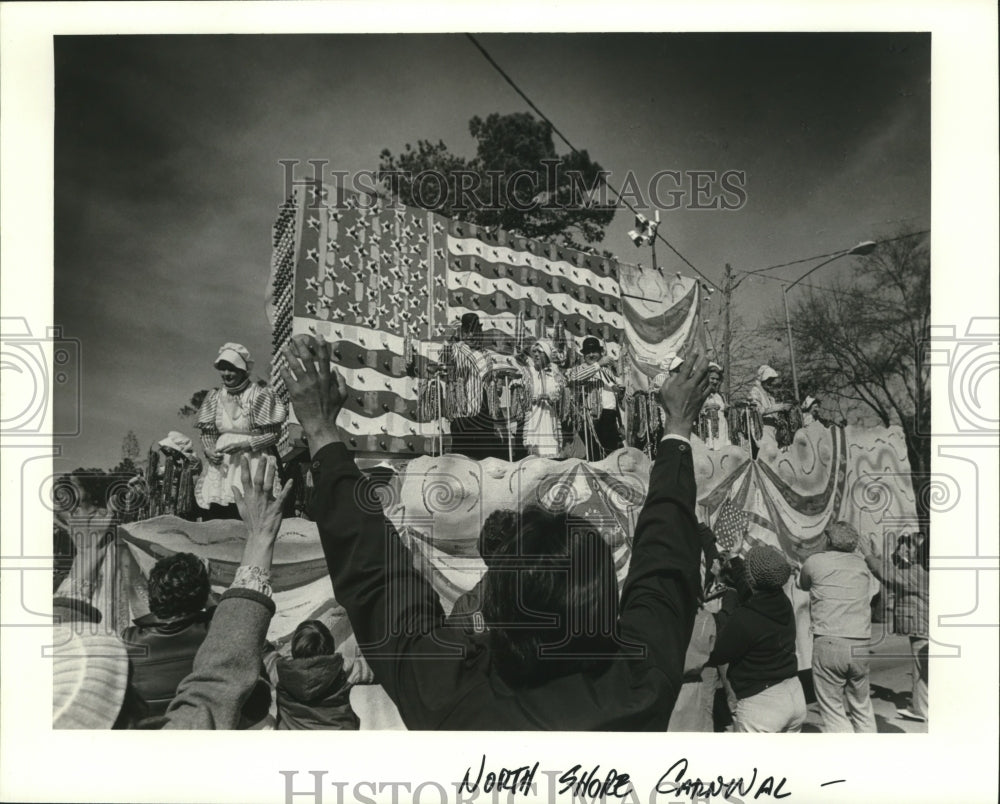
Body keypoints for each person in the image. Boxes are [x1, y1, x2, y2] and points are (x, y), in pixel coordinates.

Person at [279, 333, 711, 730]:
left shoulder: (451, 696)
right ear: (604, 601)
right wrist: (677, 430)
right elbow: (666, 563)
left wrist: (320, 431)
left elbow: (377, 579)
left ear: (497, 607)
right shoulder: (640, 684)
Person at [52, 458, 294, 729]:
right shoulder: (209, 637)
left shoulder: (129, 642)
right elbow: (220, 677)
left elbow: (56, 656)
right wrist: (260, 536)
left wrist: (84, 561)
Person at [705, 545, 805, 732]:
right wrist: (735, 558)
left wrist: (719, 605)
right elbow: (749, 588)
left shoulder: (744, 617)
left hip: (762, 705)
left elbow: (718, 654)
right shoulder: (782, 602)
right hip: (794, 693)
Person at [797, 520, 877, 733]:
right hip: (860, 641)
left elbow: (803, 583)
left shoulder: (815, 562)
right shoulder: (862, 565)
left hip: (829, 641)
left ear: (829, 540)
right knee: (862, 706)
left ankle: (846, 758)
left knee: (833, 710)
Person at [194, 342, 287, 519]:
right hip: (223, 463)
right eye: (222, 369)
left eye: (232, 369)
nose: (226, 374)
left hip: (252, 458)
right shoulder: (214, 396)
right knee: (218, 510)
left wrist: (246, 444)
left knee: (250, 508)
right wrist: (209, 449)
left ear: (243, 371)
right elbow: (208, 432)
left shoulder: (260, 394)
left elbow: (274, 434)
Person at [120, 552, 214, 717]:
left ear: (153, 594)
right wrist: (208, 596)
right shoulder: (216, 633)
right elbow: (233, 621)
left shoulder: (127, 640)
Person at [859, 531, 929, 722]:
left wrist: (867, 554)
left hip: (923, 627)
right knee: (925, 669)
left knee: (921, 670)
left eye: (913, 546)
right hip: (926, 625)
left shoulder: (918, 574)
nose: (907, 549)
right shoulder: (923, 570)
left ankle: (921, 710)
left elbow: (888, 575)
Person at [268, 620, 361, 730]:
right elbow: (378, 667)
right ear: (331, 646)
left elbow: (264, 654)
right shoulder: (344, 668)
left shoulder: (279, 671)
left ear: (294, 648)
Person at [444, 314, 506, 459]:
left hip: (484, 414)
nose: (471, 335)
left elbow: (492, 382)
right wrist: (447, 339)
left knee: (486, 458)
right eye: (467, 332)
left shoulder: (486, 354)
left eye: (474, 331)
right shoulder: (456, 349)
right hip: (463, 414)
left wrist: (498, 382)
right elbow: (444, 359)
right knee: (462, 459)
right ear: (463, 333)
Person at [564, 336, 624, 461]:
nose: (591, 355)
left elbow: (616, 393)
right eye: (588, 353)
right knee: (595, 454)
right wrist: (598, 364)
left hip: (610, 417)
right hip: (592, 417)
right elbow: (574, 378)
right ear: (583, 355)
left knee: (611, 454)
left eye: (594, 352)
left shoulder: (607, 371)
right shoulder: (578, 369)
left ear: (600, 353)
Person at [521, 340, 565, 458]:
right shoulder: (528, 373)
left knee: (550, 450)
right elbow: (522, 395)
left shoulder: (556, 375)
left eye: (539, 352)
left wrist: (549, 398)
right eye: (534, 352)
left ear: (546, 354)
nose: (535, 355)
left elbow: (561, 399)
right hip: (534, 416)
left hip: (549, 416)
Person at [748, 364, 790, 444]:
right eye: (768, 380)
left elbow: (773, 413)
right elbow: (758, 410)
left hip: (773, 431)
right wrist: (780, 407)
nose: (771, 383)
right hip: (762, 429)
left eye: (772, 380)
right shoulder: (755, 391)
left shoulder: (769, 396)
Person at [698, 362, 729, 450]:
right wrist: (706, 407)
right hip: (708, 430)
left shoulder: (720, 395)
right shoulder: (700, 393)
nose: (715, 381)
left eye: (717, 379)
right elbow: (696, 410)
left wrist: (726, 408)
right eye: (712, 378)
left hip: (722, 430)